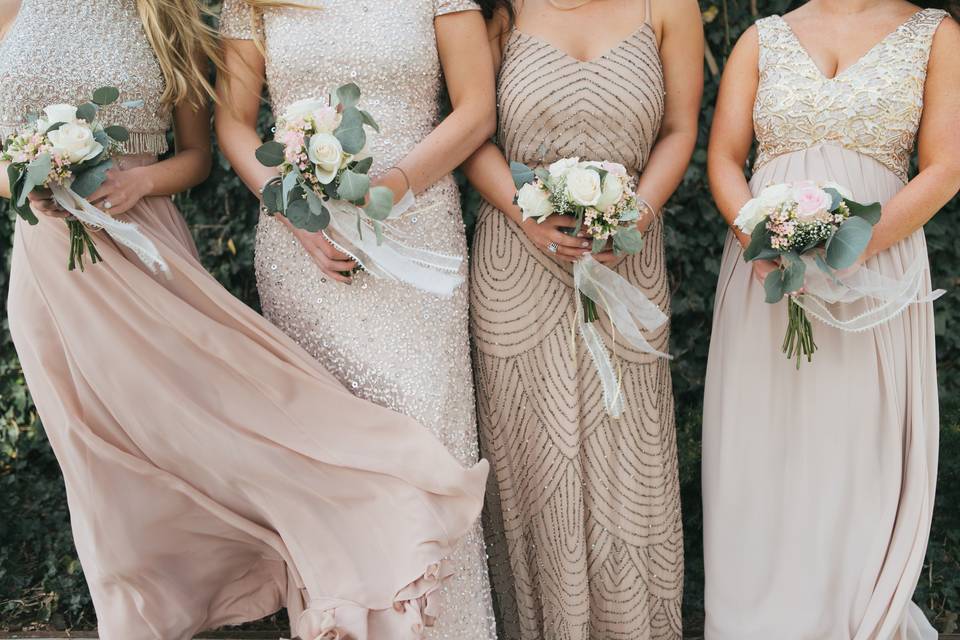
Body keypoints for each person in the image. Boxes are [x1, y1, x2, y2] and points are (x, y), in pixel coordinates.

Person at [0, 1, 488, 638]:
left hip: (185, 252)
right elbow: (229, 126)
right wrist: (25, 182)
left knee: (305, 429)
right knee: (100, 474)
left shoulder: (165, 14)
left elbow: (197, 154)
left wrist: (143, 182)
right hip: (55, 271)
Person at [703, 1, 960, 637]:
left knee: (854, 448)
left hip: (874, 281)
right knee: (758, 450)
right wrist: (759, 248)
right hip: (764, 277)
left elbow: (948, 166)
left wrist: (850, 249)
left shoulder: (938, 35)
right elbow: (724, 160)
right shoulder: (762, 40)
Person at [463, 0, 703, 637]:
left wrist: (634, 218)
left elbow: (680, 129)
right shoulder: (501, 11)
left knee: (629, 446)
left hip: (625, 258)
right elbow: (471, 132)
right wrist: (525, 213)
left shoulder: (669, 8)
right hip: (517, 262)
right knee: (531, 457)